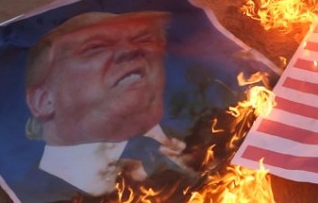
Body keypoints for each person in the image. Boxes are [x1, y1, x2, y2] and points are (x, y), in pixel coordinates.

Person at [20, 11, 200, 198]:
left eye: (144, 40)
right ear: (44, 100)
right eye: (96, 47)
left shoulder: (212, 137)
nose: (130, 50)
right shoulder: (35, 193)